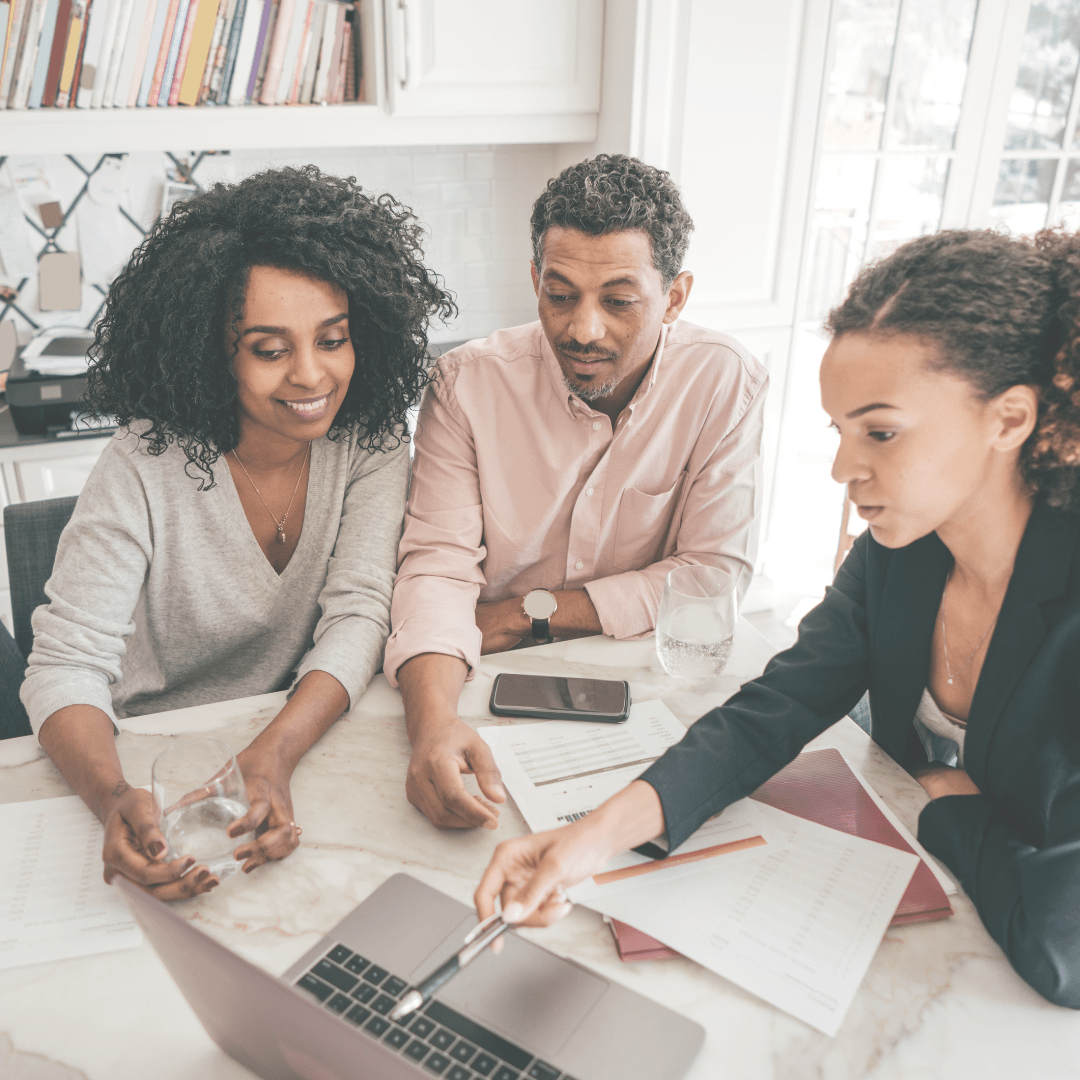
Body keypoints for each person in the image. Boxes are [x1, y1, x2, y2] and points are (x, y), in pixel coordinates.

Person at [474, 228, 1080, 1008]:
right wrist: (585, 841)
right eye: (840, 431)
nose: (842, 469)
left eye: (882, 432)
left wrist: (949, 809)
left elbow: (1064, 943)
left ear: (1008, 419)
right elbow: (777, 707)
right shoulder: (901, 552)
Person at [21, 166, 454, 901]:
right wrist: (111, 796)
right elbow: (63, 666)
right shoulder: (143, 462)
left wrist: (274, 754)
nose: (312, 377)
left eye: (333, 338)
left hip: (301, 737)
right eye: (269, 348)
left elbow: (359, 612)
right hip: (148, 752)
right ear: (213, 351)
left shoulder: (371, 442)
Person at [384, 154, 768, 833]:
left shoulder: (723, 381)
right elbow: (436, 569)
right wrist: (433, 725)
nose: (583, 329)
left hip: (649, 691)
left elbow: (714, 576)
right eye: (560, 295)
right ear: (535, 280)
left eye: (619, 302)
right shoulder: (466, 384)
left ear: (674, 298)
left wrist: (529, 613)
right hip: (477, 678)